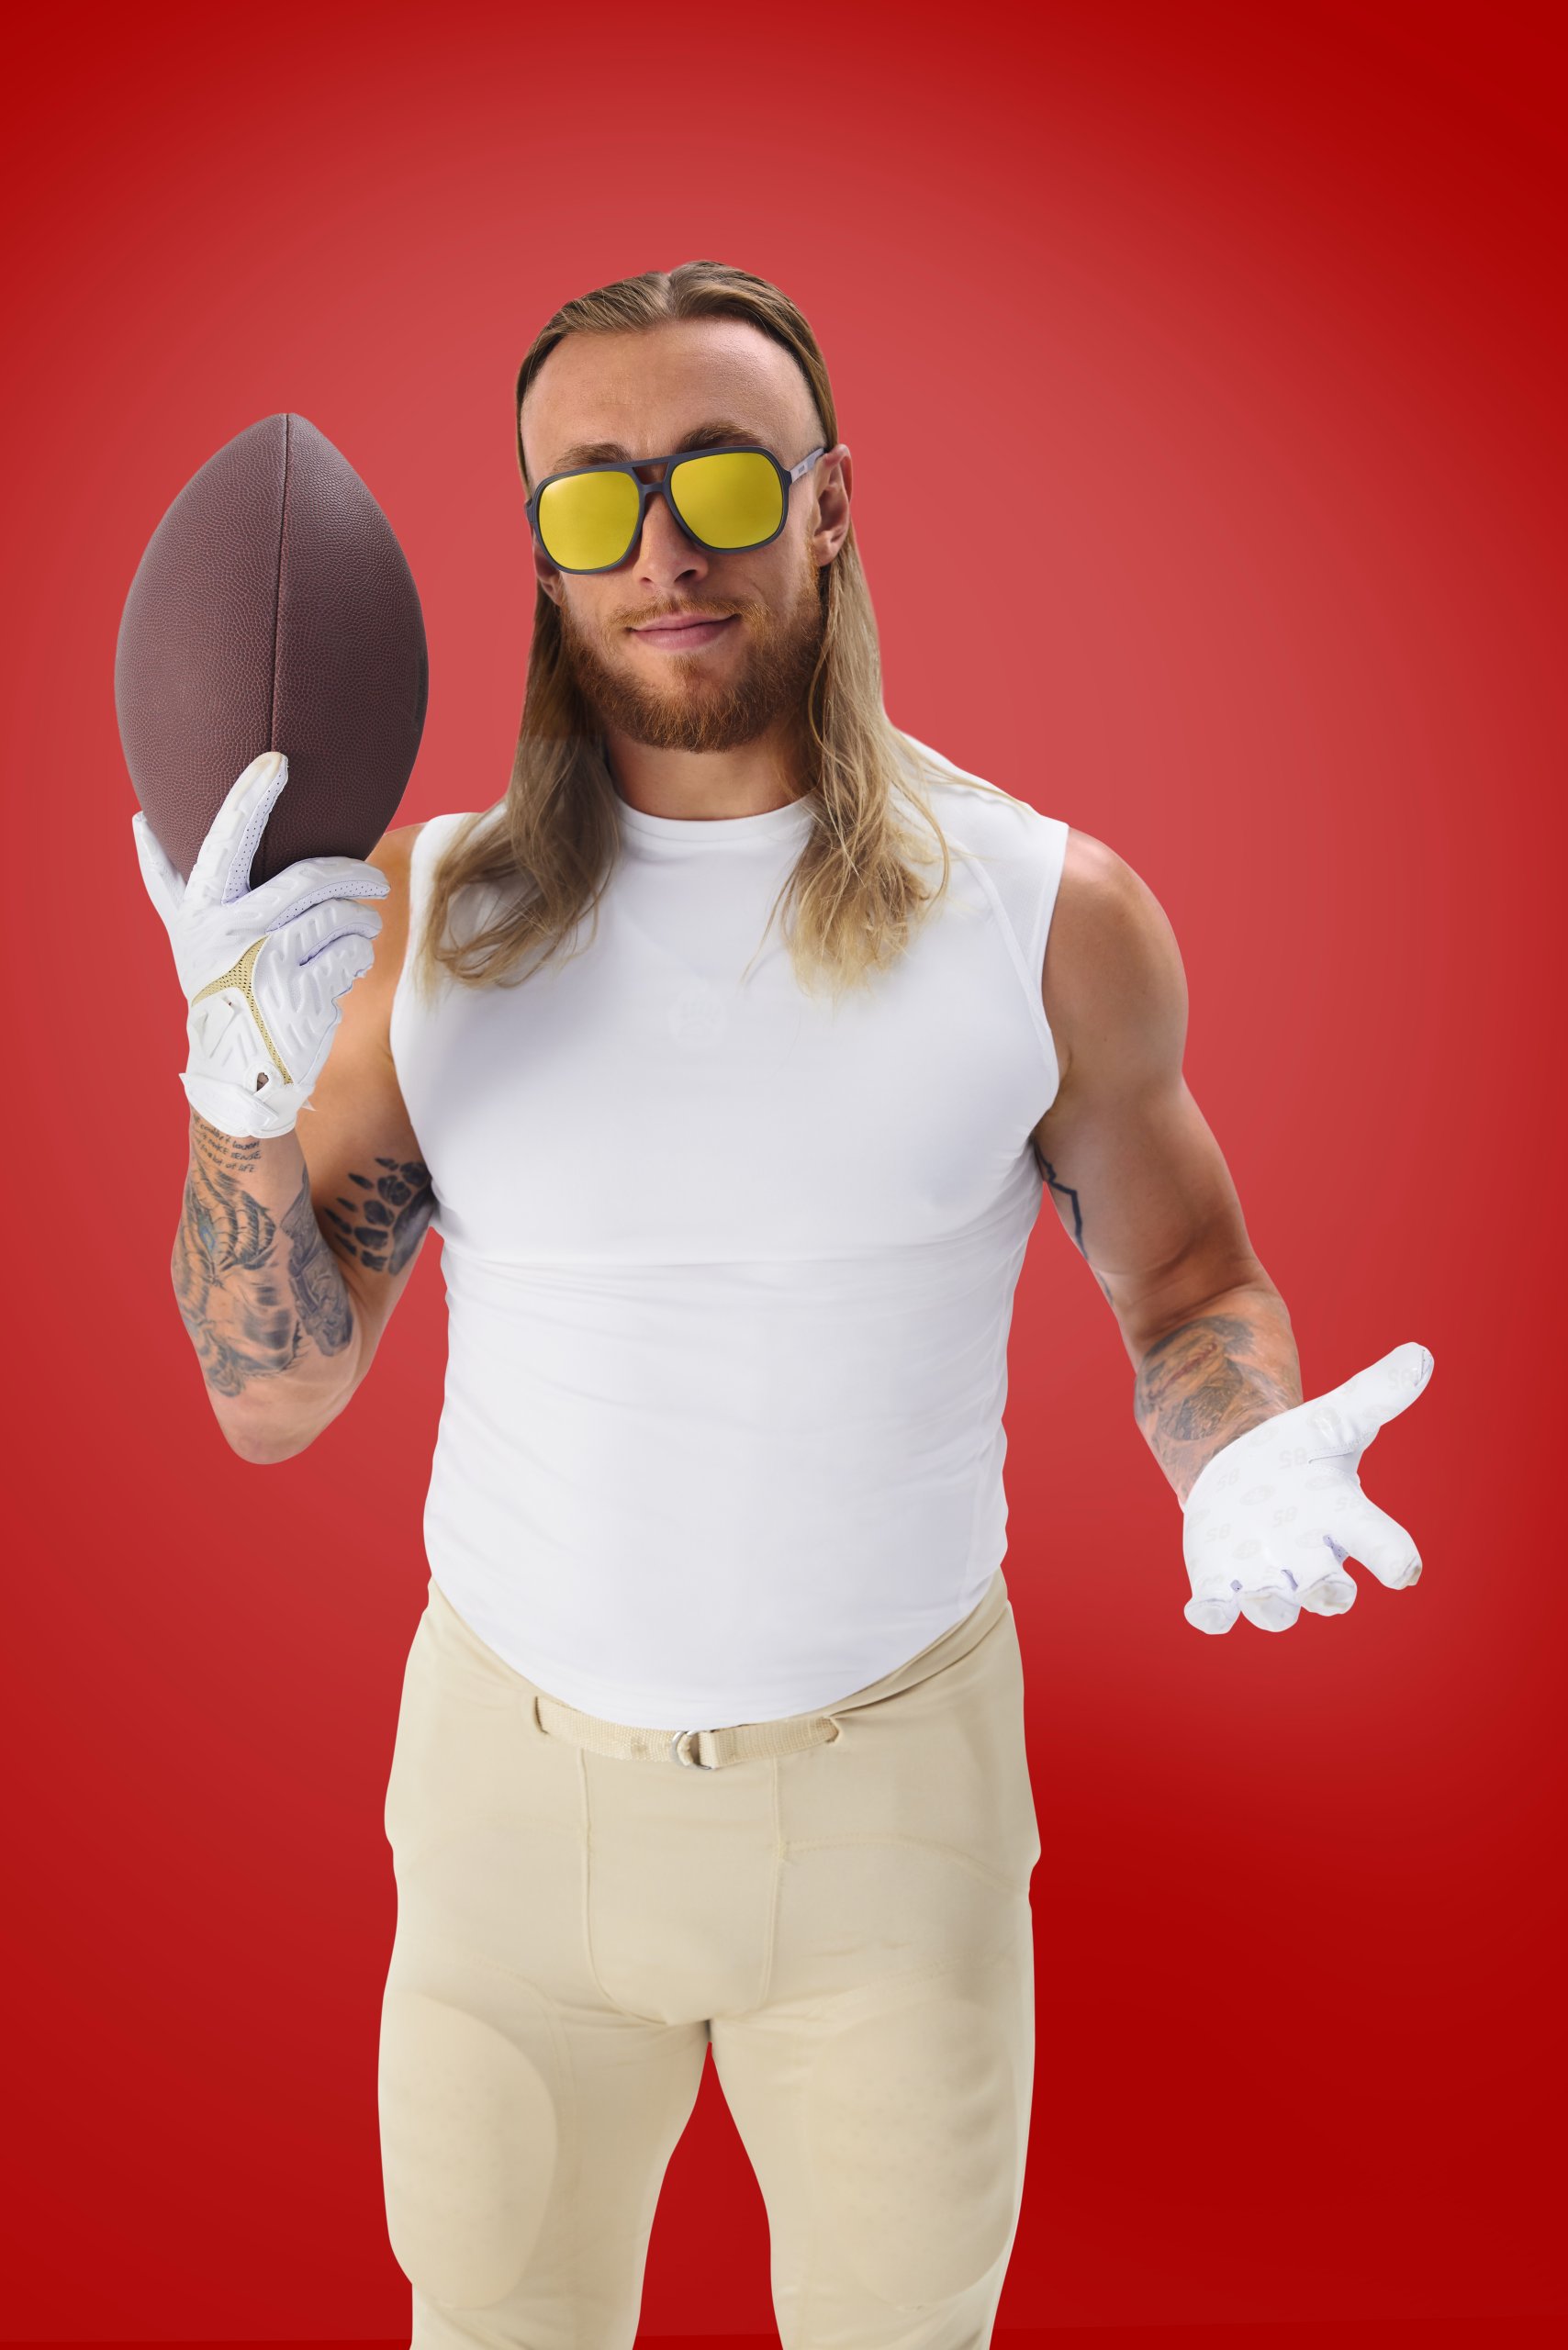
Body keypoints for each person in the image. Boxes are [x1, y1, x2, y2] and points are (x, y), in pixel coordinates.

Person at [134, 260, 1432, 2348]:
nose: (662, 546)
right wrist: (235, 1090)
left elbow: (1188, 1278)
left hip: (892, 1807)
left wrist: (1237, 1449)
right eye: (593, 498)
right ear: (540, 554)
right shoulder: (428, 929)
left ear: (829, 502)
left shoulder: (1045, 915)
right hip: (508, 1806)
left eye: (725, 477)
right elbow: (268, 1395)